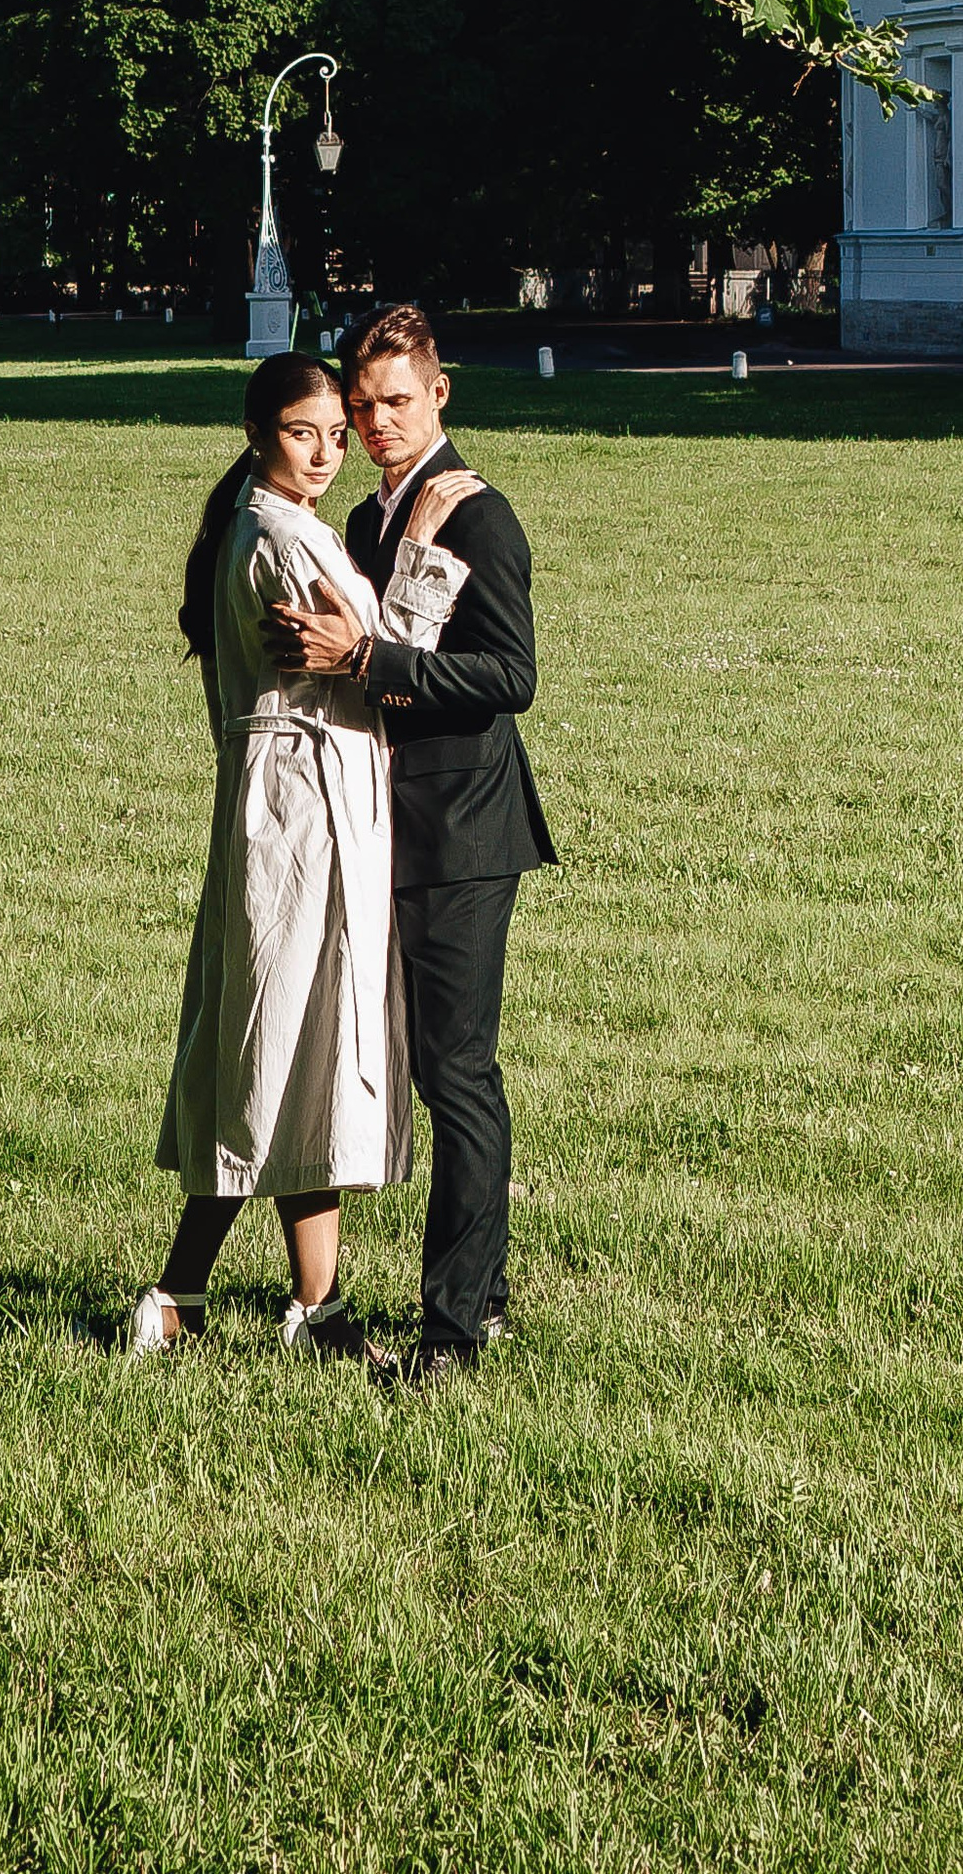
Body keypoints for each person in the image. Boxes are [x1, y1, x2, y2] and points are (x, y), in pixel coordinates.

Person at [271, 301, 554, 1380]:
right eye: (361, 404)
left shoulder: (479, 516)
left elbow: (510, 679)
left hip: (467, 832)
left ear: (439, 394)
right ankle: (477, 1290)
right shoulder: (365, 524)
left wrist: (370, 664)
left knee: (457, 1074)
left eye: (397, 401)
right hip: (387, 821)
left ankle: (454, 1333)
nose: (377, 422)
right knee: (424, 1073)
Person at [129, 352, 404, 1368]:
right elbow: (362, 662)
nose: (327, 452)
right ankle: (184, 1295)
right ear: (258, 433)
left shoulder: (277, 522)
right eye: (304, 432)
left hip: (301, 809)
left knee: (300, 1052)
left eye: (338, 433)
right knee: (276, 1053)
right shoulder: (280, 541)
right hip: (298, 819)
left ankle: (300, 1306)